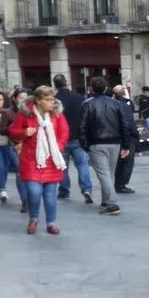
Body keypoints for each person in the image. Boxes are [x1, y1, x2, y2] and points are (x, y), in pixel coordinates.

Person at [9, 86, 69, 235]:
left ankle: (51, 223)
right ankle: (34, 219)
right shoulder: (25, 114)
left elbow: (64, 131)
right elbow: (12, 130)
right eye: (48, 100)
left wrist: (59, 146)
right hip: (31, 160)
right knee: (34, 192)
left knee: (50, 195)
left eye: (52, 100)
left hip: (51, 160)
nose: (51, 103)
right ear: (38, 100)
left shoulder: (56, 115)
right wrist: (24, 132)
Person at [79, 76, 131, 215]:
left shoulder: (87, 104)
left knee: (104, 174)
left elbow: (82, 126)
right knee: (108, 173)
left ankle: (111, 203)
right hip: (114, 142)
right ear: (106, 88)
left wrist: (85, 145)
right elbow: (124, 125)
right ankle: (106, 201)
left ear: (91, 88)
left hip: (96, 142)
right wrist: (126, 145)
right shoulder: (116, 104)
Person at [54, 74, 94, 204]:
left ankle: (64, 190)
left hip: (60, 138)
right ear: (67, 83)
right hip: (77, 136)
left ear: (55, 84)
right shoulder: (78, 98)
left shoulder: (53, 100)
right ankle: (86, 189)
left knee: (62, 166)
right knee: (82, 165)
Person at [0, 88, 30, 212]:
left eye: (26, 97)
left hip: (30, 146)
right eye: (21, 97)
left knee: (30, 173)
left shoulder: (31, 111)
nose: (23, 100)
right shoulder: (8, 113)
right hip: (14, 146)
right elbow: (2, 129)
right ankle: (24, 200)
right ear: (15, 99)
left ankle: (32, 197)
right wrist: (12, 128)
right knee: (20, 172)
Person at [112, 85, 139, 194]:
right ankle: (121, 184)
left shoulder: (112, 104)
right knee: (127, 162)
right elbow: (128, 123)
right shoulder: (125, 106)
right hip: (126, 136)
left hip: (116, 136)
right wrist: (134, 134)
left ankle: (118, 183)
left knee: (119, 162)